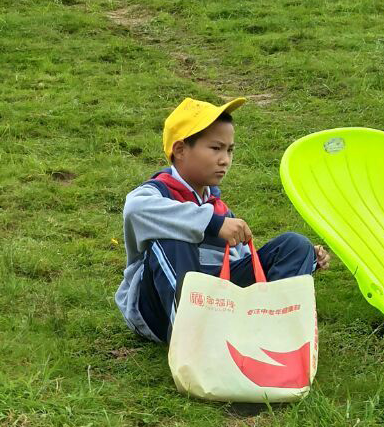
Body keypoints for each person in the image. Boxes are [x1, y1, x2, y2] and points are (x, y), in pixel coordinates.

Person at [114, 98, 329, 345]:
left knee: (295, 245)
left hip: (218, 304)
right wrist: (213, 225)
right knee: (175, 238)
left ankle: (272, 339)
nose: (225, 159)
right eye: (216, 148)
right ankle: (193, 343)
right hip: (160, 311)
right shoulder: (155, 194)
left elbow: (239, 264)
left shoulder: (220, 210)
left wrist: (304, 259)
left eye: (230, 150)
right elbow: (134, 208)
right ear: (181, 150)